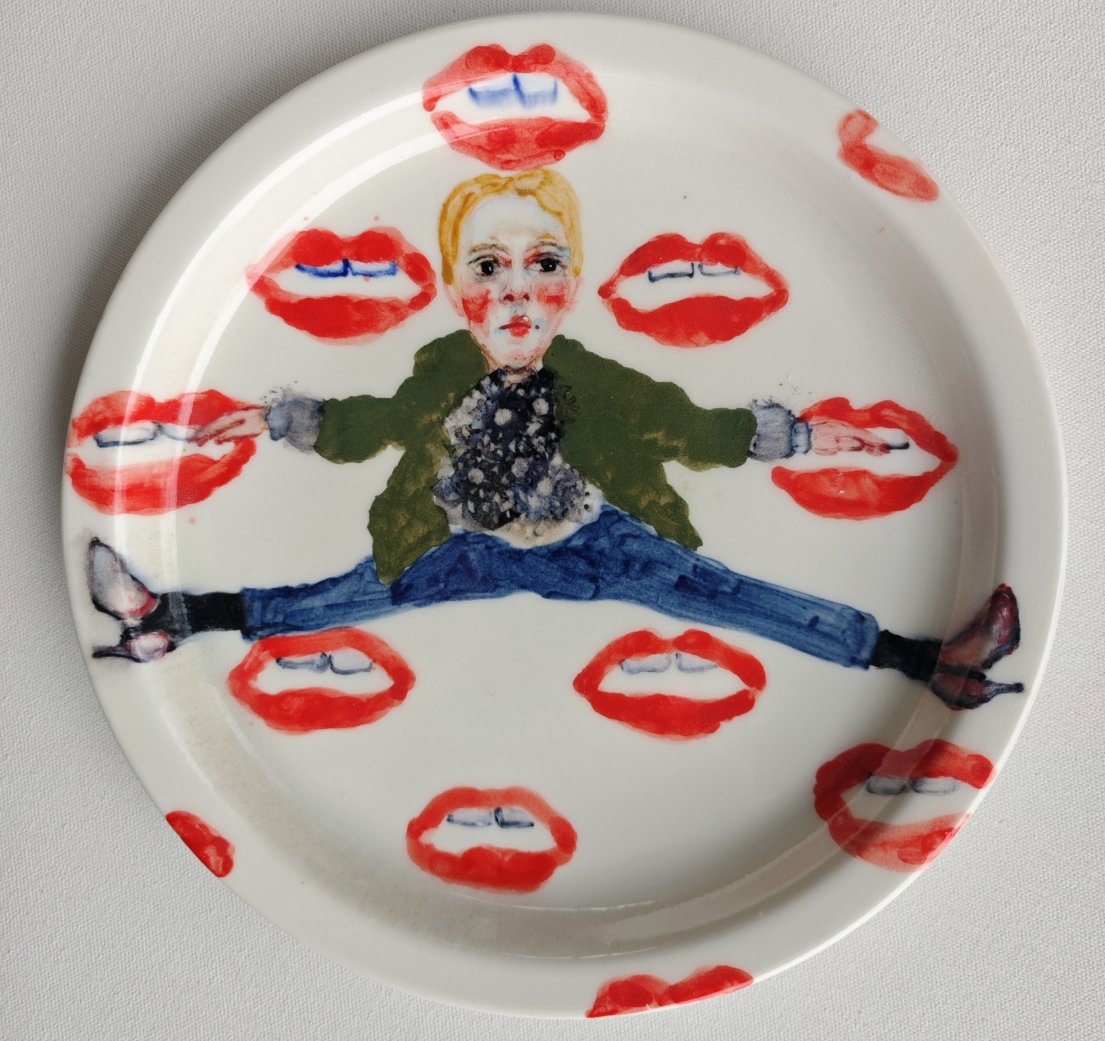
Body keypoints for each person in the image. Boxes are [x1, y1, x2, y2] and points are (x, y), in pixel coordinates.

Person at [87, 169, 1022, 709]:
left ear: (571, 284)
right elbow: (375, 424)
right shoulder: (440, 369)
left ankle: (926, 662)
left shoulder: (594, 377)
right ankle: (169, 619)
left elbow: (688, 427)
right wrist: (284, 419)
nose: (515, 292)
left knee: (731, 595)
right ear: (457, 288)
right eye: (487, 268)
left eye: (542, 265)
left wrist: (802, 436)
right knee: (340, 597)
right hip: (461, 545)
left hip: (592, 542)